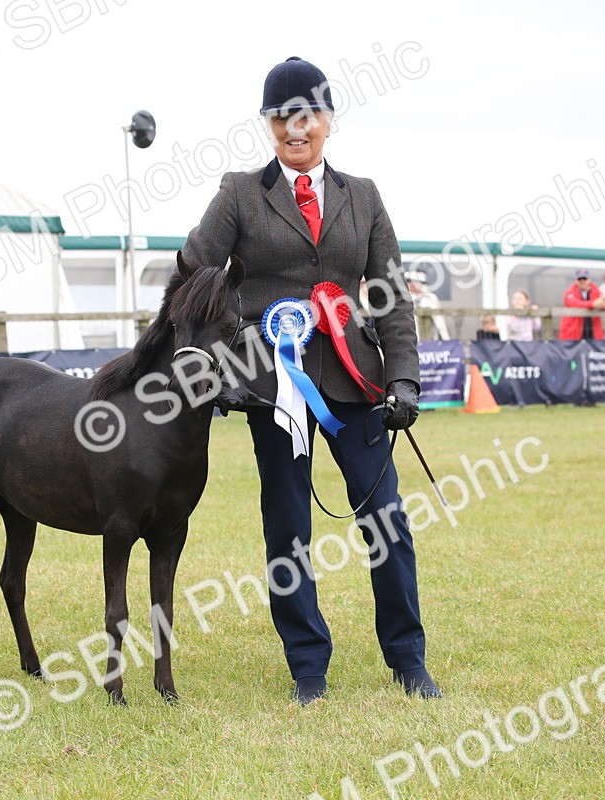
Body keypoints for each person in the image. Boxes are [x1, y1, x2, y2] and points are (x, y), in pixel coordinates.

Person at [182, 56, 440, 704]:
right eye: (283, 116)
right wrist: (220, 360)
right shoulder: (241, 193)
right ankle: (309, 669)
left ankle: (408, 660)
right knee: (288, 526)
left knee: (387, 520)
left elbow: (390, 296)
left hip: (358, 384)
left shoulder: (366, 195)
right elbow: (194, 273)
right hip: (274, 384)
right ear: (269, 124)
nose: (297, 127)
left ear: (327, 120)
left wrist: (404, 380)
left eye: (308, 114)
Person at [559, 267, 605, 340]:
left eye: (584, 279)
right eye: (580, 279)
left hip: (592, 332)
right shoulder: (569, 292)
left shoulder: (596, 291)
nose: (582, 281)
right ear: (576, 281)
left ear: (589, 280)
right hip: (574, 334)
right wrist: (593, 304)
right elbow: (574, 303)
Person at [405, 269, 450, 340]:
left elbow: (440, 323)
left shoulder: (431, 298)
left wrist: (446, 340)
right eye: (408, 281)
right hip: (410, 340)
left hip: (431, 341)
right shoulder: (404, 298)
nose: (411, 284)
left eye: (415, 281)